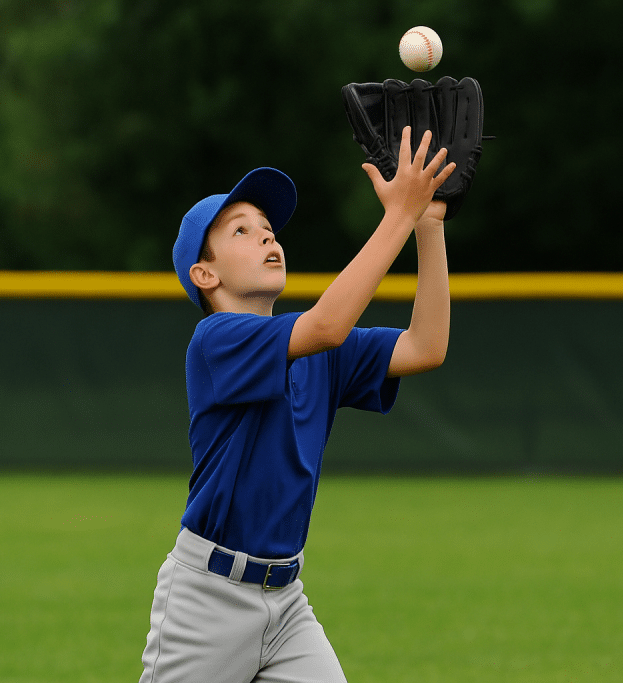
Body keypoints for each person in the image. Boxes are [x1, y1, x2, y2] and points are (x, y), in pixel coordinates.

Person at [140, 127, 456, 683]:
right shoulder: (217, 341)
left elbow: (426, 346)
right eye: (242, 231)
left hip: (286, 602)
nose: (267, 238)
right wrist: (397, 218)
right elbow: (330, 325)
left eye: (268, 229)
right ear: (204, 274)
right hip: (207, 600)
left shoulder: (318, 351)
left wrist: (427, 228)